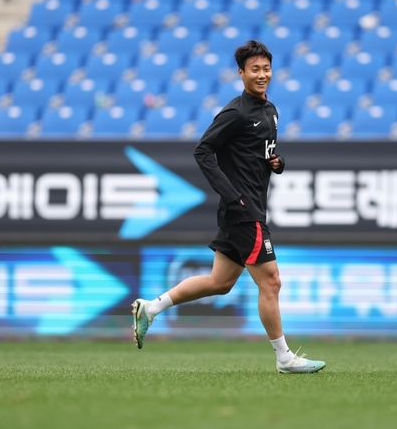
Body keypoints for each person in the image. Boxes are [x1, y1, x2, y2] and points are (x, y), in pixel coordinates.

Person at [131, 40, 325, 374]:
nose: (262, 75)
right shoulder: (236, 111)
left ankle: (150, 309)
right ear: (241, 73)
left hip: (247, 208)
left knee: (220, 282)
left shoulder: (270, 111)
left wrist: (276, 163)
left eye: (266, 68)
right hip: (243, 211)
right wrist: (231, 194)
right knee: (271, 282)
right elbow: (203, 150)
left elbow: (258, 154)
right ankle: (284, 358)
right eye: (254, 69)